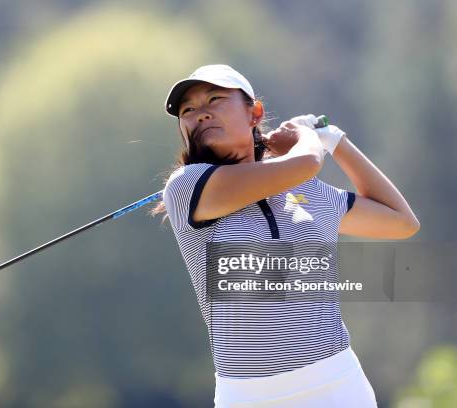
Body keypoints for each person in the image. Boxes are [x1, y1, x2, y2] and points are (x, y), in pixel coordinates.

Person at [152, 64, 420, 407]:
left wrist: (337, 142)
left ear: (255, 113)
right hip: (249, 396)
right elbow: (308, 161)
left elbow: (400, 220)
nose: (201, 115)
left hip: (338, 385)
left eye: (215, 100)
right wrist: (305, 137)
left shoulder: (307, 191)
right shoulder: (187, 186)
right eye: (188, 110)